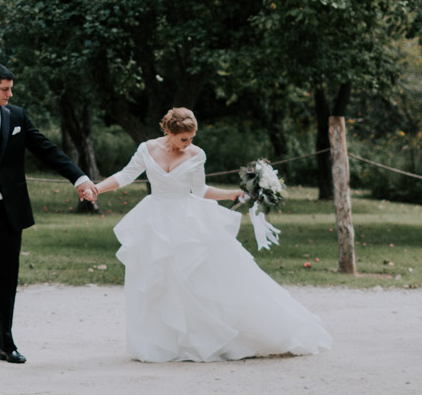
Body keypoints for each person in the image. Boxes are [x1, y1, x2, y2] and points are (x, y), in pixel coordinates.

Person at [84, 107, 331, 363]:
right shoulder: (146, 149)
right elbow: (124, 176)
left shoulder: (196, 154)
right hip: (155, 220)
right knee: (161, 282)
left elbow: (200, 190)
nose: (188, 143)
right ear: (169, 131)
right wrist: (96, 189)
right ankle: (167, 343)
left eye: (191, 138)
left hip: (187, 219)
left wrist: (231, 194)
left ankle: (207, 338)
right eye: (184, 139)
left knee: (199, 281)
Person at [0, 63, 94, 370]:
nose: (10, 94)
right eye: (4, 89)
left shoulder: (17, 116)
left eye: (11, 88)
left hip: (9, 215)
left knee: (7, 281)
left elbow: (46, 149)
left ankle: (7, 345)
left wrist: (79, 178)